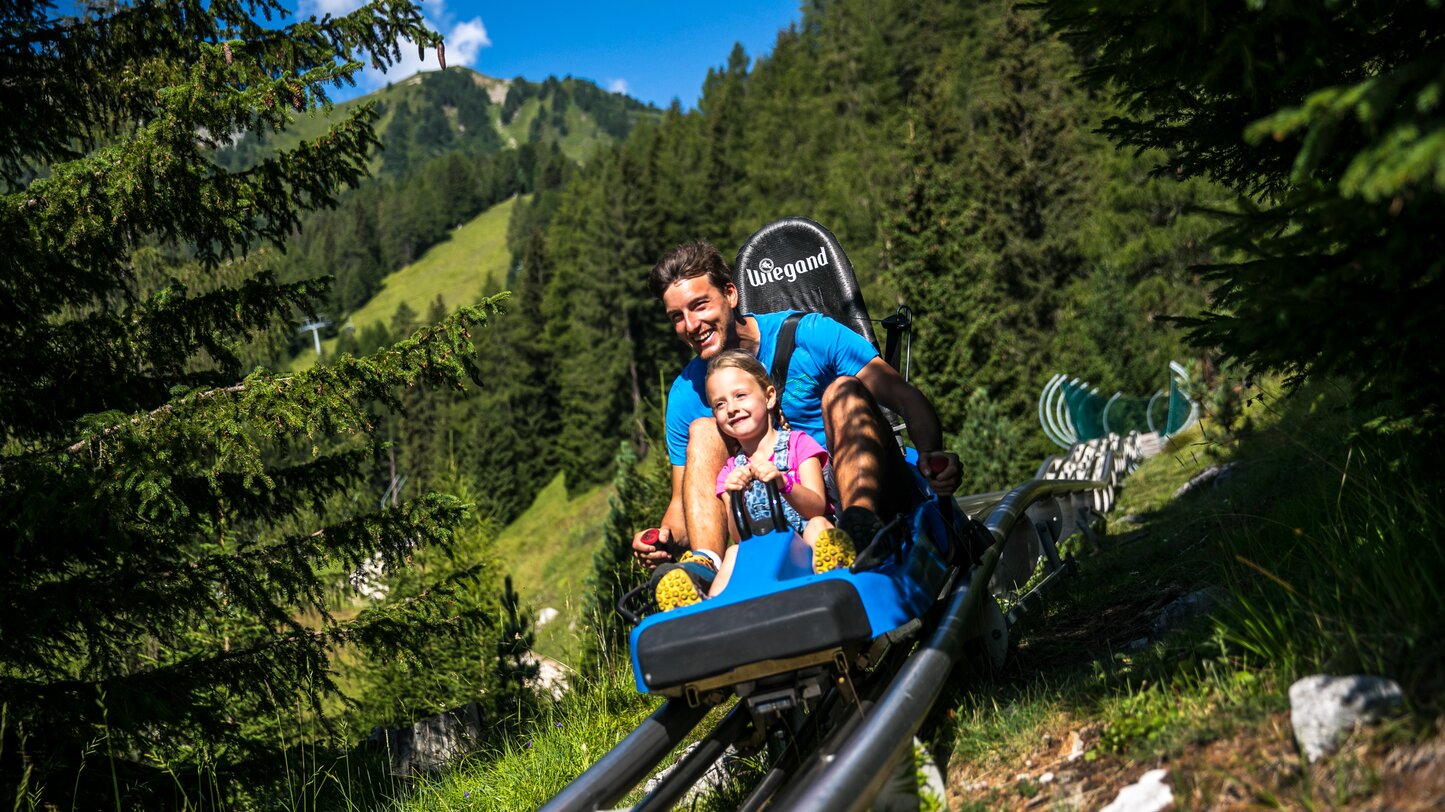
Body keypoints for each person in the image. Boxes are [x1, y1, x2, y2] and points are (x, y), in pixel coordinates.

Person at [632, 240, 960, 602]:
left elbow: (906, 399)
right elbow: (682, 503)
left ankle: (857, 532)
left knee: (842, 390)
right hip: (768, 517)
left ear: (730, 294)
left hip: (858, 489)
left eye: (699, 305)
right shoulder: (687, 394)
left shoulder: (810, 334)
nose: (691, 325)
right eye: (677, 316)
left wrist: (932, 454)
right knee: (704, 429)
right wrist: (662, 539)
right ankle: (705, 567)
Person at [652, 350, 857, 609]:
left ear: (769, 397)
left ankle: (833, 571)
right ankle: (707, 608)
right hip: (764, 554)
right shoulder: (730, 471)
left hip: (804, 543)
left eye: (740, 396)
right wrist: (734, 496)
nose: (732, 409)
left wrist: (784, 484)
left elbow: (817, 505)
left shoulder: (798, 444)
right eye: (720, 404)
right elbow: (739, 537)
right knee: (733, 552)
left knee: (818, 525)